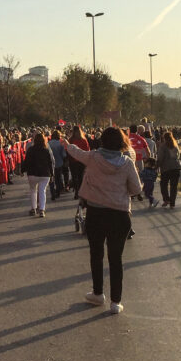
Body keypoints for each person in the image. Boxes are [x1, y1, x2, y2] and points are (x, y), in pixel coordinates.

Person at [64, 127, 142, 315]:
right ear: (121, 142)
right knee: (116, 259)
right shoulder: (127, 163)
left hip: (96, 213)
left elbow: (77, 153)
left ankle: (98, 293)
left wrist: (66, 144)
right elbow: (136, 189)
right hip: (119, 214)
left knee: (96, 254)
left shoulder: (93, 158)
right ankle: (116, 301)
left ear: (102, 141)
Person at [22, 132, 54, 218]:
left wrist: (22, 170)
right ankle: (42, 210)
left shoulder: (30, 150)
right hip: (45, 173)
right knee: (42, 191)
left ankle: (33, 208)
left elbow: (26, 161)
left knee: (33, 190)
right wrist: (52, 174)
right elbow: (50, 162)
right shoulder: (46, 150)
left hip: (33, 173)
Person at [156, 131, 181, 208]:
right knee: (174, 187)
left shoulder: (162, 147)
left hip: (166, 169)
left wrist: (156, 167)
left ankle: (166, 199)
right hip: (176, 168)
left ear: (164, 138)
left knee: (163, 185)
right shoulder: (175, 146)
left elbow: (160, 158)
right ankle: (172, 204)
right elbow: (178, 156)